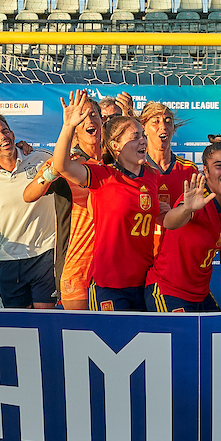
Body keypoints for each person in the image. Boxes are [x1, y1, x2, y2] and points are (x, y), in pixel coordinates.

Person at [52, 90, 161, 311]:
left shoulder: (152, 176)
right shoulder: (102, 175)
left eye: (143, 135)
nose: (143, 141)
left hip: (145, 281)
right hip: (109, 285)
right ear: (115, 145)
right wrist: (68, 127)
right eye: (135, 137)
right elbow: (61, 166)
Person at [146, 137, 221, 314]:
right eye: (219, 166)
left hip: (200, 295)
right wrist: (187, 209)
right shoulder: (198, 198)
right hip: (167, 291)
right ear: (206, 172)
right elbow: (169, 222)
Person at [0, 114, 62, 309]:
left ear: (12, 134)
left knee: (44, 321)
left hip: (45, 253)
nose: (2, 136)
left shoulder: (41, 158)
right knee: (17, 327)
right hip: (10, 259)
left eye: (5, 131)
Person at [56, 93, 105, 309]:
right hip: (78, 267)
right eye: (82, 116)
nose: (89, 120)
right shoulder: (70, 161)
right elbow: (29, 195)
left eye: (93, 115)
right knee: (79, 337)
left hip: (113, 269)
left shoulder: (117, 162)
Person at [140, 102, 198, 254]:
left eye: (168, 122)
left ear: (173, 129)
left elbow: (197, 216)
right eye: (155, 121)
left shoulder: (188, 169)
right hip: (142, 254)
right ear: (143, 128)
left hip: (176, 255)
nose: (163, 126)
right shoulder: (135, 169)